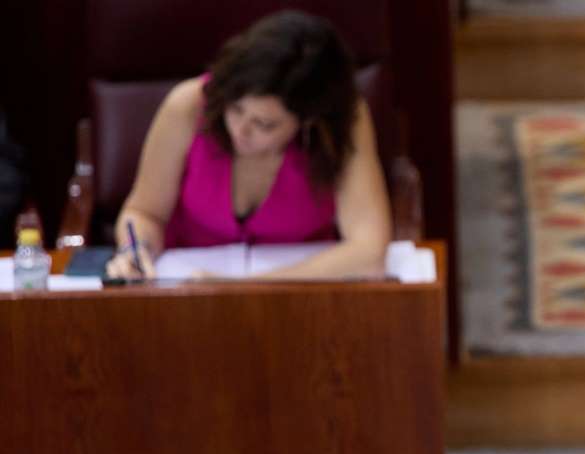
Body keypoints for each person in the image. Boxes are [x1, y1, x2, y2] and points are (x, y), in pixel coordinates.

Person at [107, 10, 390, 279]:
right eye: (236, 109)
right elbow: (144, 213)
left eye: (264, 124)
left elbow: (368, 252)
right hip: (186, 292)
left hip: (301, 297)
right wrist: (135, 251)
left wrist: (249, 289)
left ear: (308, 120)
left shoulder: (341, 121)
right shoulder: (188, 105)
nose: (240, 130)